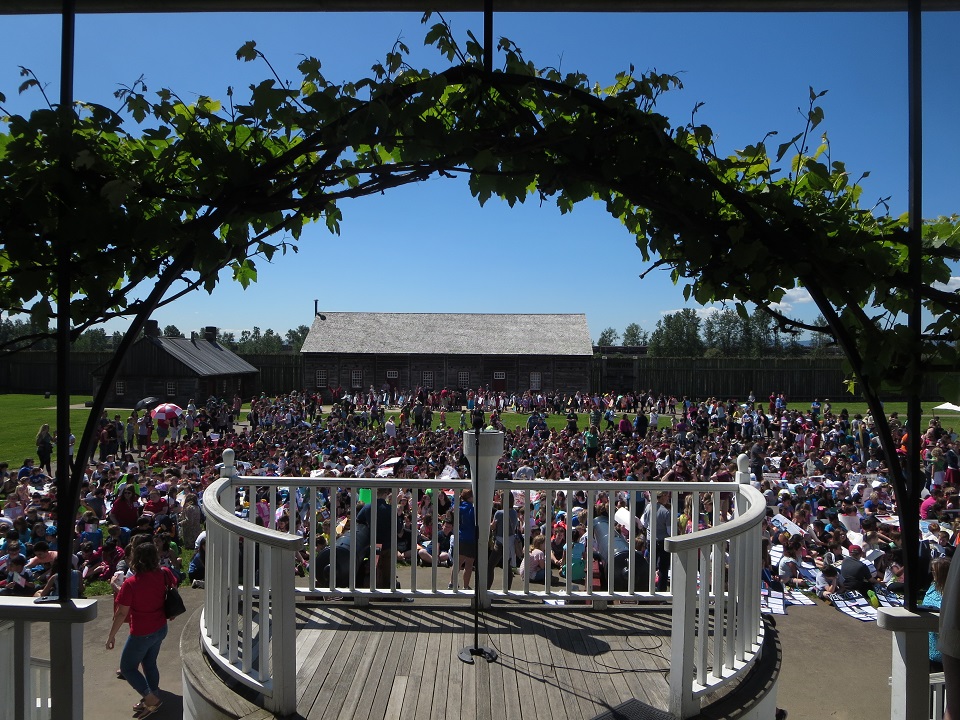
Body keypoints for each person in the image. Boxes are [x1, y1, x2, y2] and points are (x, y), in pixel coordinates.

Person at [106, 542, 177, 718]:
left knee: (127, 668)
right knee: (149, 663)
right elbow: (172, 589)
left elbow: (122, 612)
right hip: (160, 627)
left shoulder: (131, 583)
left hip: (141, 632)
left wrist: (111, 636)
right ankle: (152, 696)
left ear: (135, 559)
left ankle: (150, 698)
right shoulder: (164, 573)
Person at [925, 557, 951, 669]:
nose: (932, 573)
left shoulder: (951, 593)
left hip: (945, 646)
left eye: (935, 571)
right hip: (930, 643)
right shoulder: (933, 586)